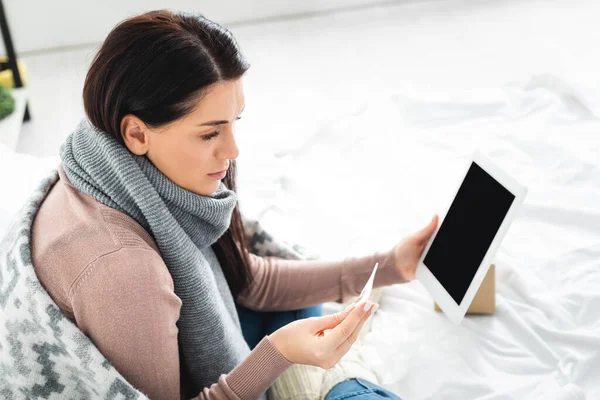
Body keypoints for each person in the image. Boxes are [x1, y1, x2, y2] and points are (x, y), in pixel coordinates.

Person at [30, 10, 438, 400]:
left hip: (204, 340)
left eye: (234, 122)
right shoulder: (124, 272)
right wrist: (277, 354)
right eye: (210, 134)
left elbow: (247, 280)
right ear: (136, 133)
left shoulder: (106, 162)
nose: (232, 151)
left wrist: (389, 265)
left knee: (310, 320)